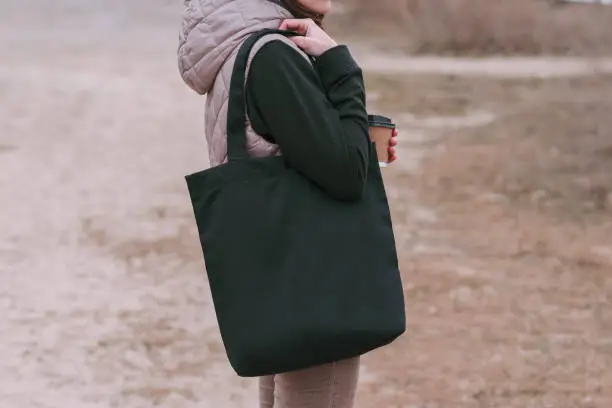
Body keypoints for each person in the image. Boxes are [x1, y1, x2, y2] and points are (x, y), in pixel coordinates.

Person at [178, 0, 398, 406]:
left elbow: (302, 147)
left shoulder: (244, 48)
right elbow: (348, 174)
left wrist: (355, 135)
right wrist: (341, 66)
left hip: (287, 279)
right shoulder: (274, 56)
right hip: (316, 285)